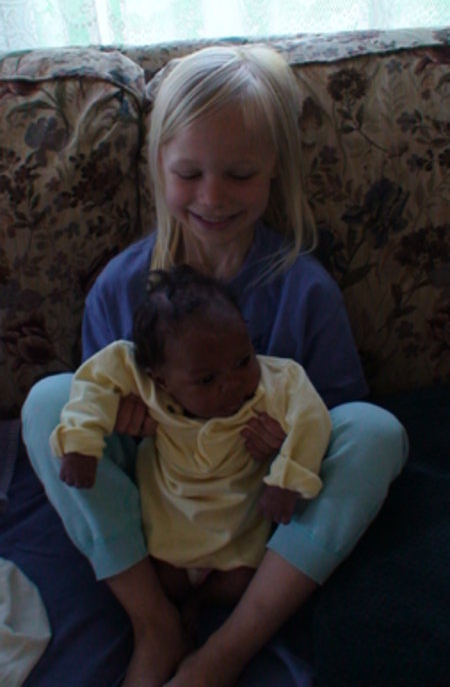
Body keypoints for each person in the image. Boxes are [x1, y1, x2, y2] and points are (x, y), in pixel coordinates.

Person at [21, 43, 408, 687]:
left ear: (274, 168)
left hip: (264, 514)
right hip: (157, 505)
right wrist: (122, 419)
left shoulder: (304, 290)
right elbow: (94, 399)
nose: (213, 197)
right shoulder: (122, 286)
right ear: (158, 167)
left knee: (378, 432)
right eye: (189, 173)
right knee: (48, 403)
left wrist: (290, 447)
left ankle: (226, 651)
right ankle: (153, 622)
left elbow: (340, 420)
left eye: (239, 174)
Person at [50, 265, 332, 613]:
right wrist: (81, 442)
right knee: (165, 581)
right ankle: (162, 617)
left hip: (239, 538)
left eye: (243, 360)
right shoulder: (145, 380)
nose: (232, 384)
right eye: (207, 379)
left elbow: (312, 418)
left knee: (241, 583)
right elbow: (94, 381)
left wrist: (287, 480)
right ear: (162, 380)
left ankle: (203, 605)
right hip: (171, 532)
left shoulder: (276, 382)